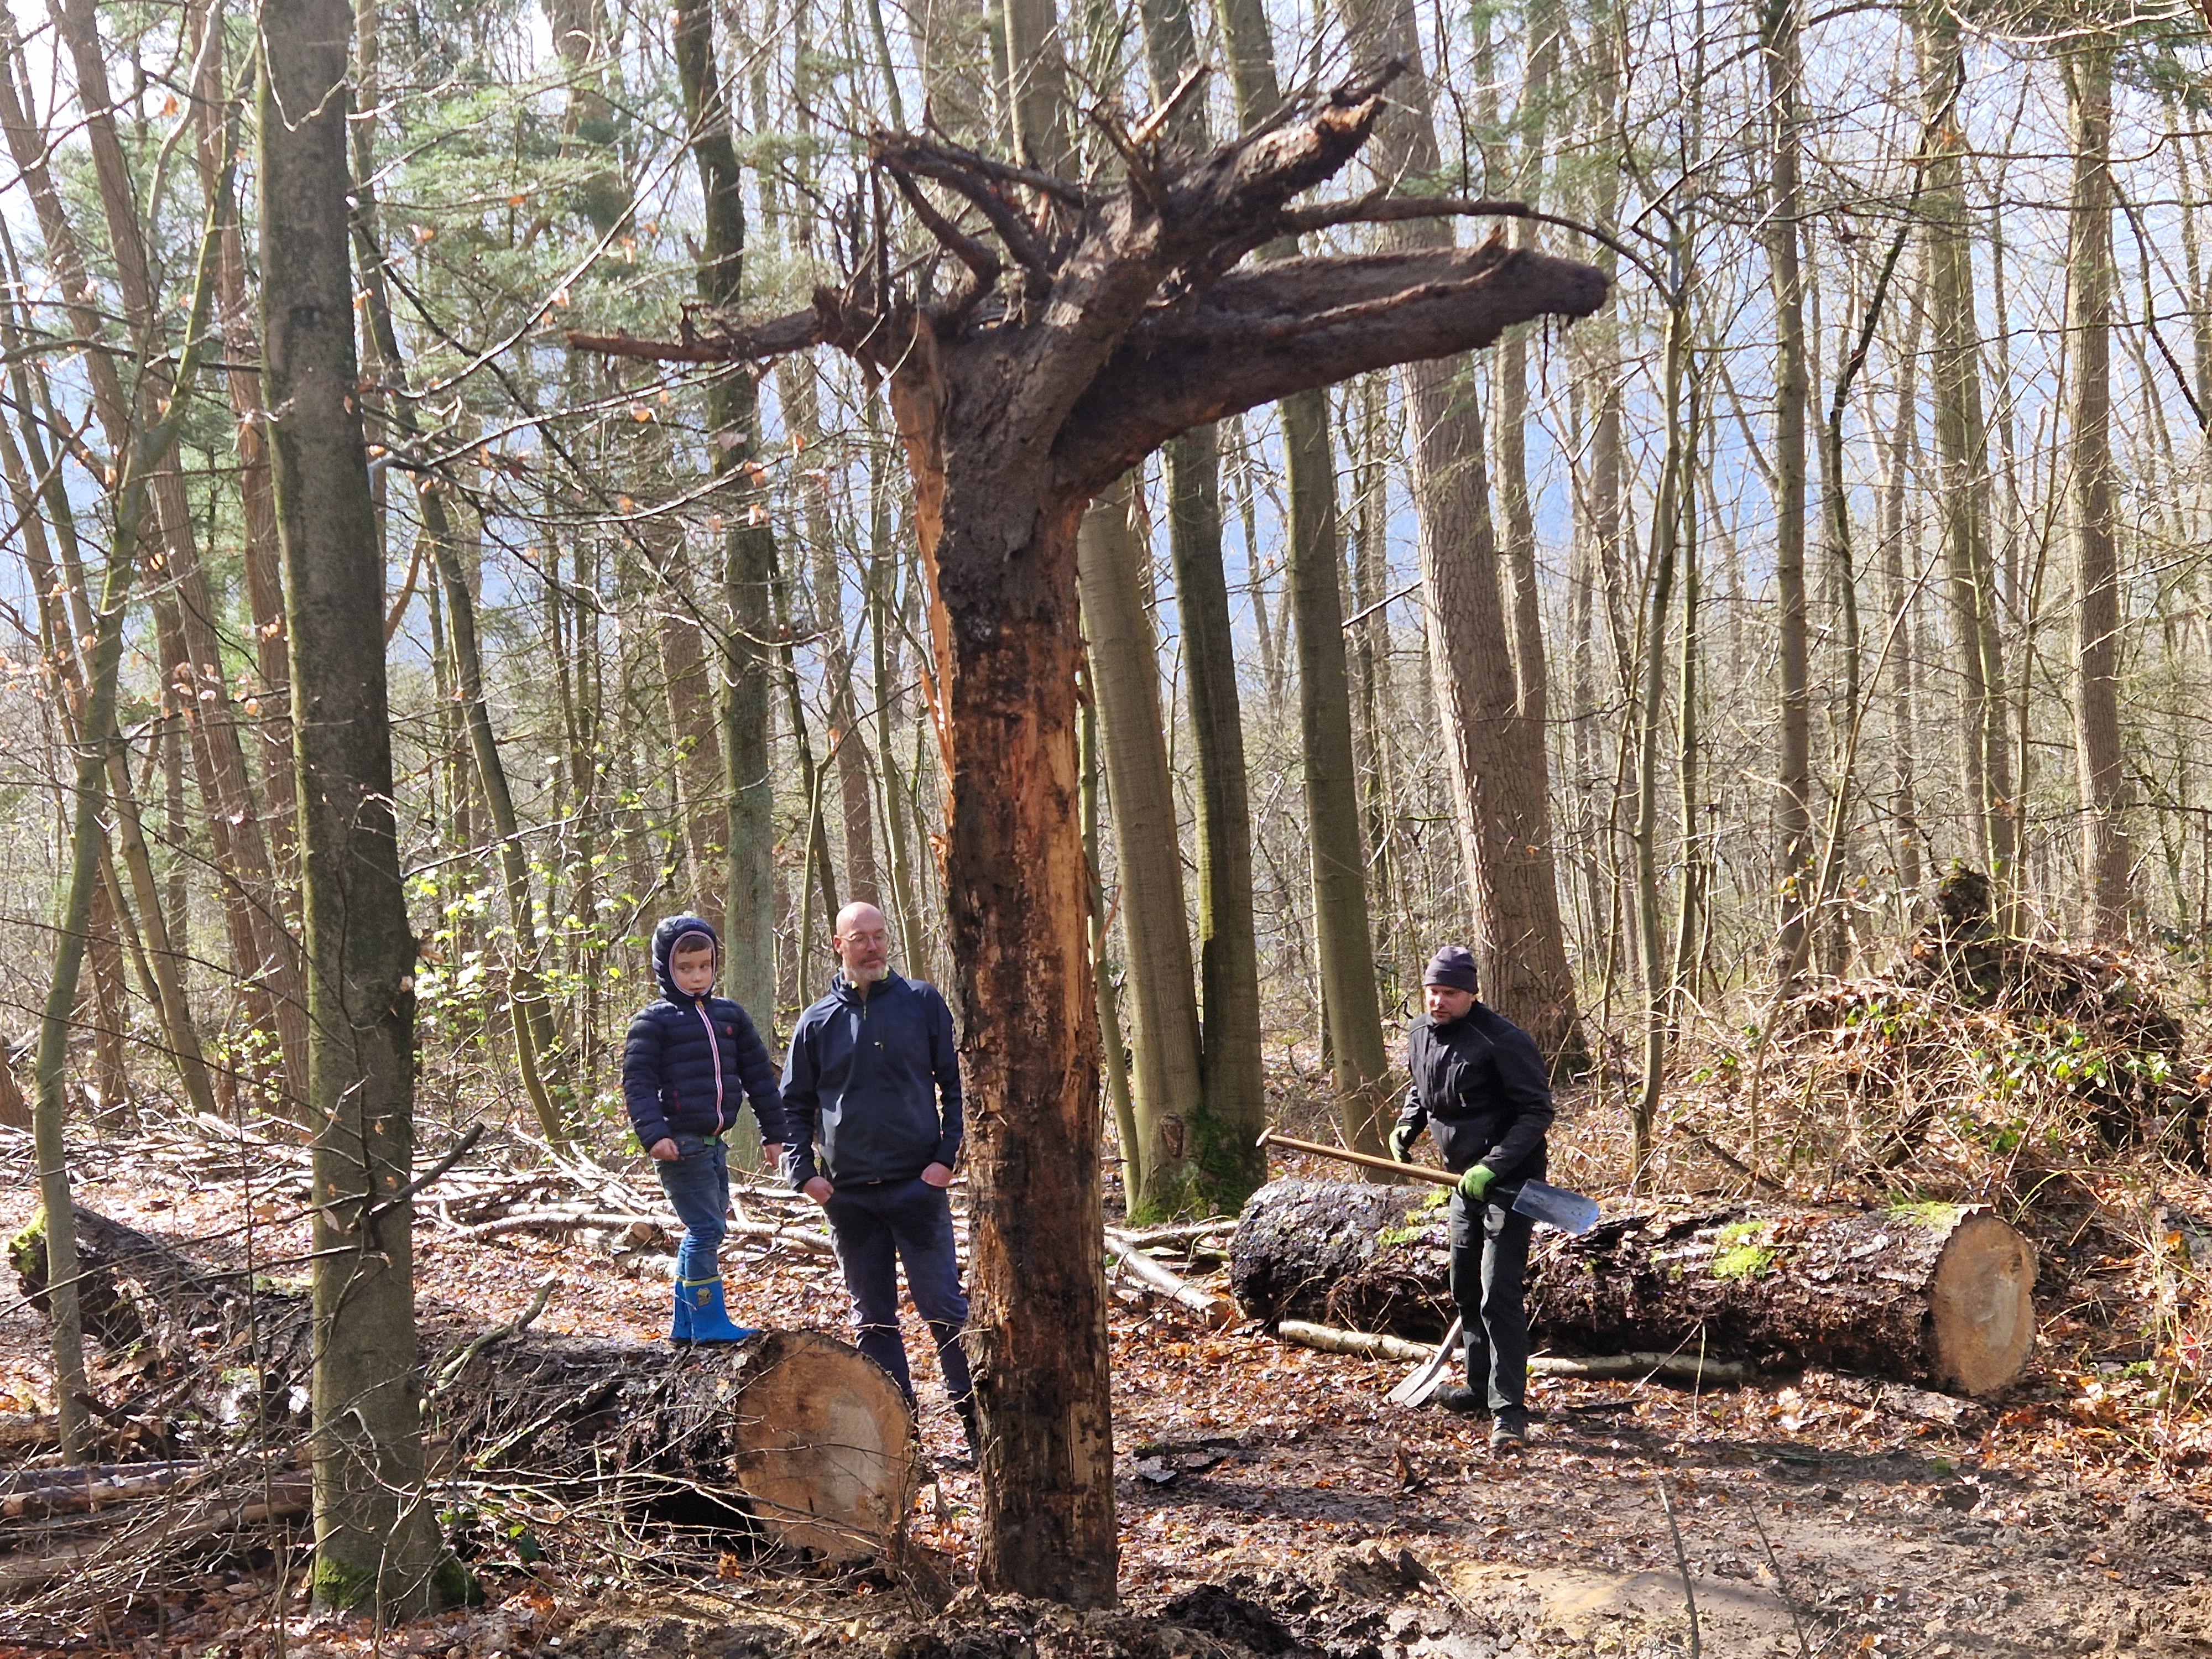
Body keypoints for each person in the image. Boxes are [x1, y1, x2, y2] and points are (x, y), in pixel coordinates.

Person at [781, 901, 975, 1459]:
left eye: (879, 936)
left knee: (943, 1308)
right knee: (873, 1323)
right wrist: (803, 1173)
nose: (872, 947)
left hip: (918, 1187)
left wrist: (946, 1159)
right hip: (850, 1199)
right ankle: (901, 1442)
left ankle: (979, 1429)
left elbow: (956, 1087)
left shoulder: (921, 1003)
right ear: (838, 945)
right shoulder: (817, 1021)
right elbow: (793, 1105)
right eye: (859, 938)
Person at [1389, 945, 1554, 1449]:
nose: (1439, 1002)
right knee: (1464, 1285)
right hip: (1461, 1181)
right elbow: (1423, 1086)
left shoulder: (1502, 1041)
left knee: (1497, 1292)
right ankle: (1478, 1389)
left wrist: (1494, 1165)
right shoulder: (1419, 1032)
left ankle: (1509, 1410)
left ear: (1471, 994)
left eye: (1450, 994)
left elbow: (1537, 1112)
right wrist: (1408, 1123)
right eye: (1433, 991)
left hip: (1511, 1181)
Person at [623, 914, 787, 1344]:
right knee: (706, 1230)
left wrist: (775, 1133)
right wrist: (654, 1134)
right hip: (680, 1143)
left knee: (706, 1228)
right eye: (685, 968)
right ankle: (710, 1321)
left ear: (716, 965)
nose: (696, 977)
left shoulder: (730, 1017)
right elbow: (638, 1084)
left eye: (704, 966)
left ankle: (685, 1324)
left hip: (716, 1143)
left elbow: (759, 1078)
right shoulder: (653, 1022)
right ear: (665, 969)